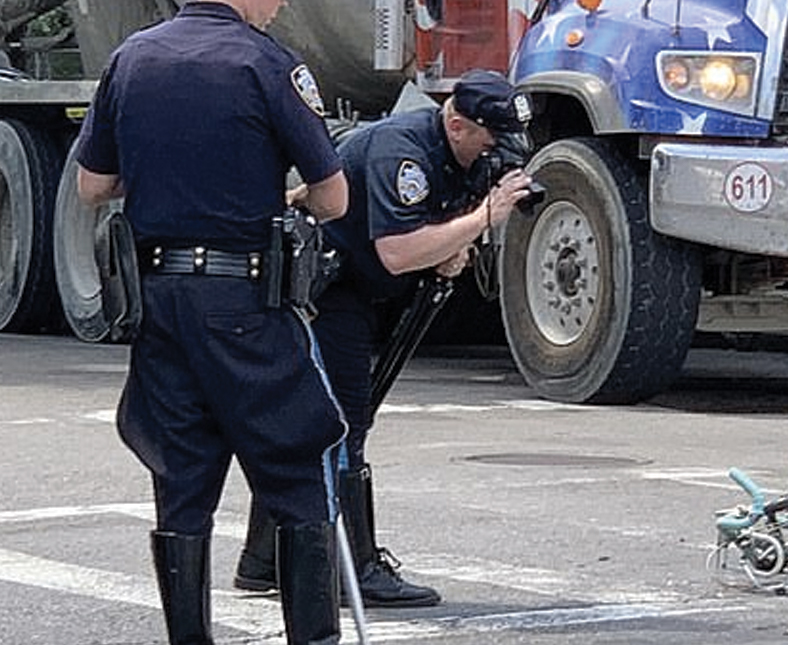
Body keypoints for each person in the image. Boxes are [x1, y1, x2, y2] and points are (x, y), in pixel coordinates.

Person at [75, 1, 350, 643]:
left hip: (159, 298)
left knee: (181, 476)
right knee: (294, 468)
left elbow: (93, 184)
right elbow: (334, 196)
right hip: (243, 300)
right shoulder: (265, 62)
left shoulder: (131, 58)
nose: (282, 4)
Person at [232, 69, 534, 607]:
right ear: (457, 124)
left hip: (363, 285)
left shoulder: (461, 149)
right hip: (330, 285)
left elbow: (432, 228)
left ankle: (265, 560)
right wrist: (484, 216)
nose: (497, 152)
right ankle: (356, 567)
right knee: (341, 423)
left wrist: (457, 238)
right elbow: (398, 249)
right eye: (491, 138)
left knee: (313, 424)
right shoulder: (404, 152)